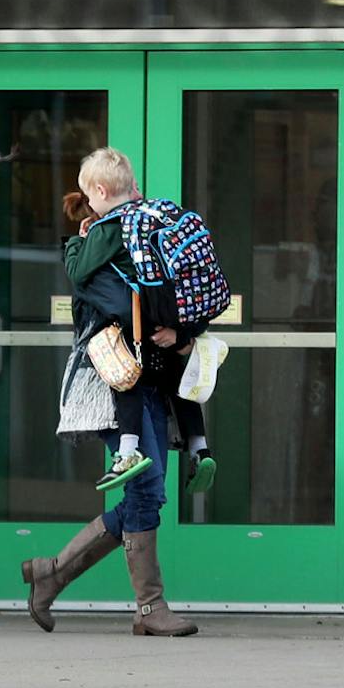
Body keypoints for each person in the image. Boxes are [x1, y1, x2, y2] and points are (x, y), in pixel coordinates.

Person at [19, 156, 199, 638]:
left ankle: (51, 573)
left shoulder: (131, 246)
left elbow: (171, 299)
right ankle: (149, 609)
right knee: (144, 487)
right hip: (111, 383)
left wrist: (180, 329)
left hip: (146, 381)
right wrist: (169, 322)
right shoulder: (94, 256)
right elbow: (126, 307)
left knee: (150, 491)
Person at [66, 147, 215, 496]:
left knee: (124, 378)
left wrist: (77, 241)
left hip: (137, 327)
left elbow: (78, 271)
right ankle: (199, 447)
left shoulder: (109, 227)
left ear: (100, 192)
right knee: (180, 382)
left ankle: (128, 452)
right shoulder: (150, 217)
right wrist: (181, 331)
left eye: (89, 196)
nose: (89, 202)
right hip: (170, 323)